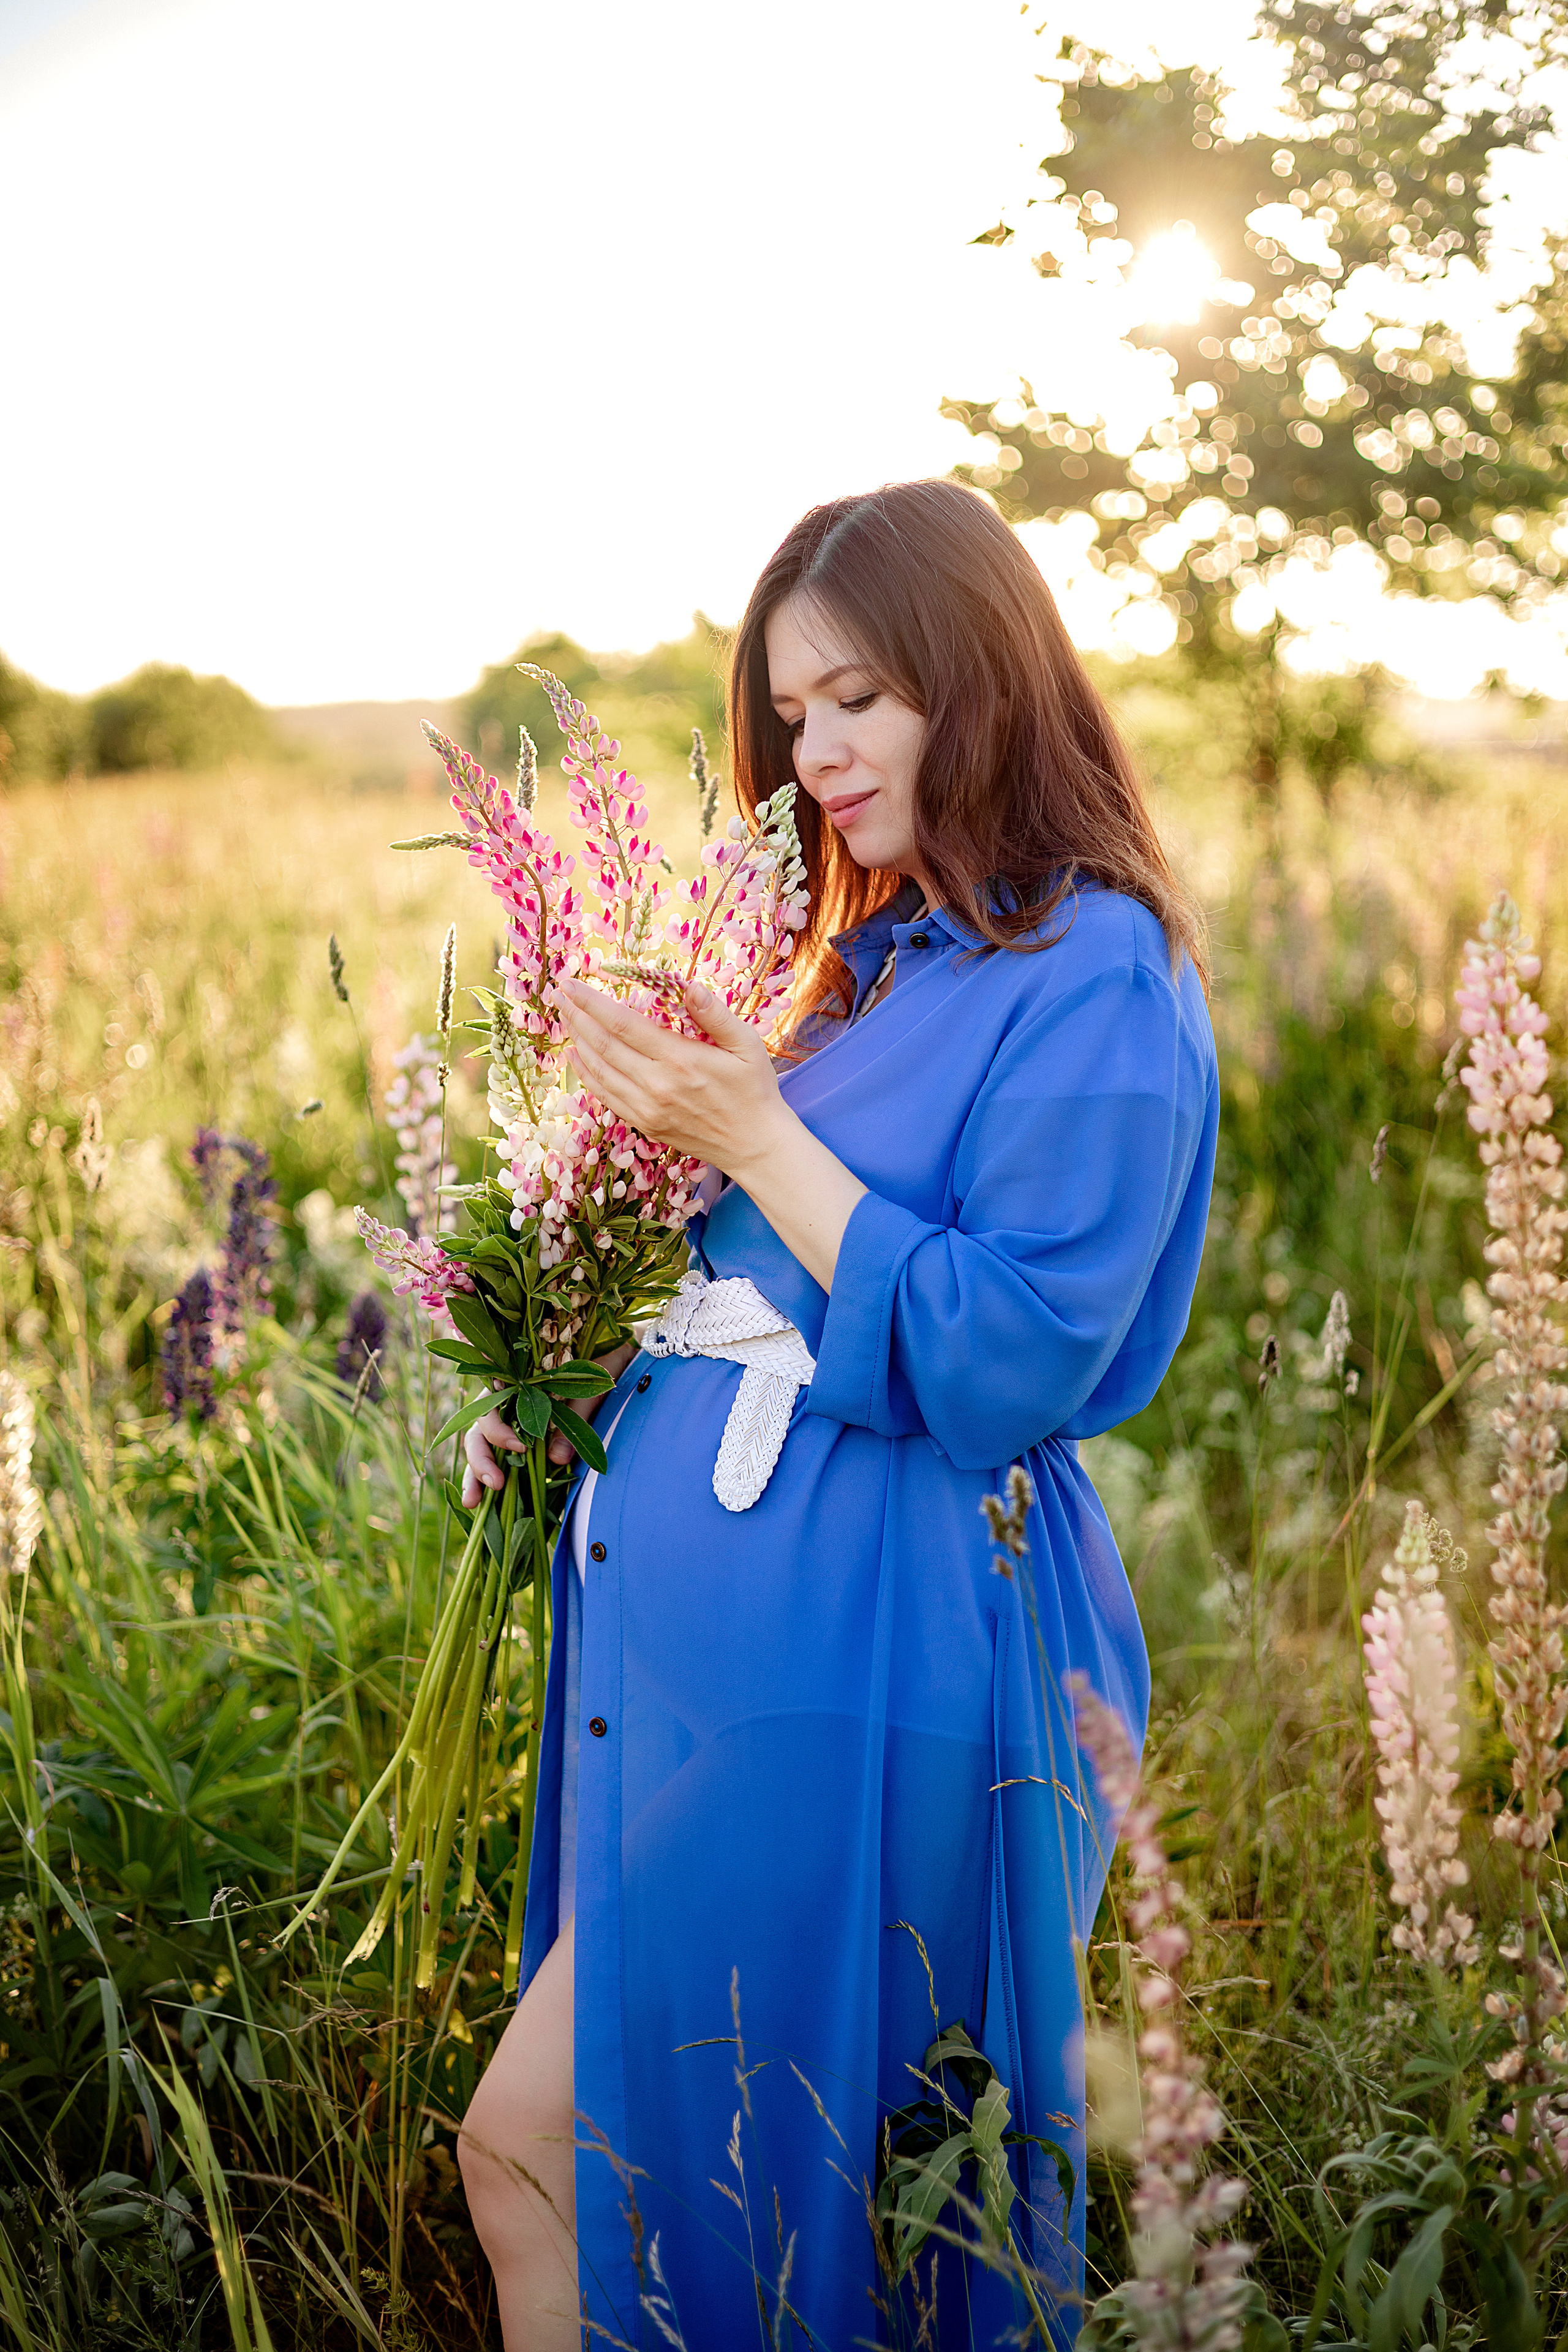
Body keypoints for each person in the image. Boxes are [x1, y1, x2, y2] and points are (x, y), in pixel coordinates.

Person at [455, 478, 1219, 2349]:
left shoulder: (1097, 970)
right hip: (718, 1672)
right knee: (643, 2187)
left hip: (875, 1662)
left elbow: (1013, 1352)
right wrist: (576, 1405)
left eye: (862, 698)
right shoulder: (864, 966)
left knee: (573, 2165)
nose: (819, 755)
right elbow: (761, 1291)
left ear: (983, 680)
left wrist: (757, 1135)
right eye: (794, 717)